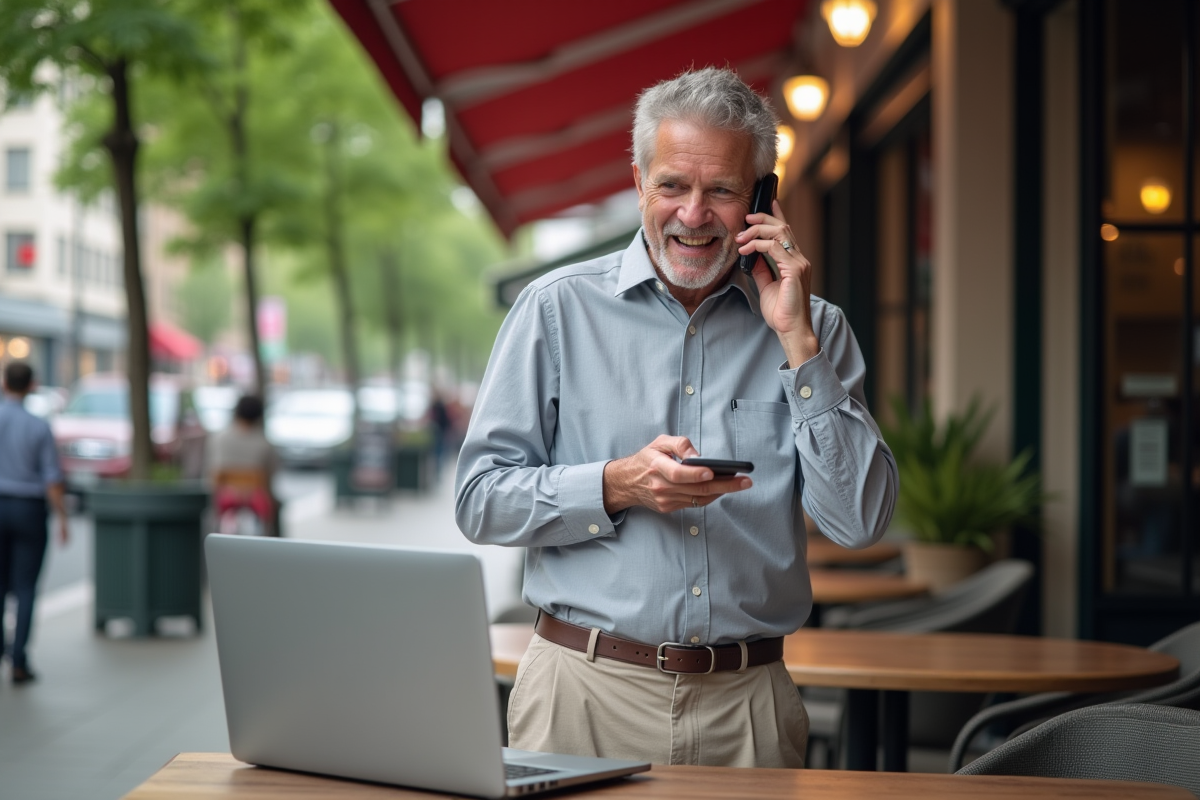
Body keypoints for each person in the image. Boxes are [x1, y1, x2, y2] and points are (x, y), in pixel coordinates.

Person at [455, 67, 897, 768]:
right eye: (672, 186)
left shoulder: (816, 331)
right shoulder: (555, 310)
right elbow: (480, 500)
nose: (692, 214)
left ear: (763, 197)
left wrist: (797, 344)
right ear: (639, 183)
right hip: (581, 695)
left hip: (748, 707)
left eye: (721, 190)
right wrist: (615, 485)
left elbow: (860, 520)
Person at [0, 361, 69, 684]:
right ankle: (19, 660)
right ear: (32, 385)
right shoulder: (39, 427)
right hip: (29, 509)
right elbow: (52, 478)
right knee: (26, 587)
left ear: (4, 383)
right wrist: (62, 518)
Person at [206, 394, 279, 536]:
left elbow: (212, 476)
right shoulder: (264, 444)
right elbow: (270, 475)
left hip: (226, 500)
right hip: (256, 500)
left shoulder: (219, 439)